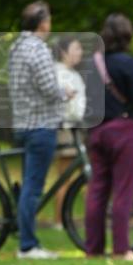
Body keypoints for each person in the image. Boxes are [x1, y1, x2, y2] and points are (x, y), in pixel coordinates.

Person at [8, 0, 74, 259]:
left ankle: (26, 239)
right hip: (40, 125)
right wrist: (65, 92)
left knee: (29, 185)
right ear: (43, 23)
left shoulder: (16, 47)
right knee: (33, 188)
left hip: (23, 124)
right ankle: (28, 246)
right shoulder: (38, 49)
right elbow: (48, 87)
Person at [84, 14, 133, 261]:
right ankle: (121, 249)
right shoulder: (127, 63)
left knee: (97, 189)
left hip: (97, 131)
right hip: (122, 129)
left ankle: (93, 249)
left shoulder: (91, 63)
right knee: (123, 190)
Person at [53, 35, 86, 229]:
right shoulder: (59, 73)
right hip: (65, 129)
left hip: (76, 128)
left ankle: (71, 218)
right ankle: (59, 220)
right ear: (64, 52)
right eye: (76, 49)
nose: (79, 53)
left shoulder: (74, 74)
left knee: (79, 175)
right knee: (65, 175)